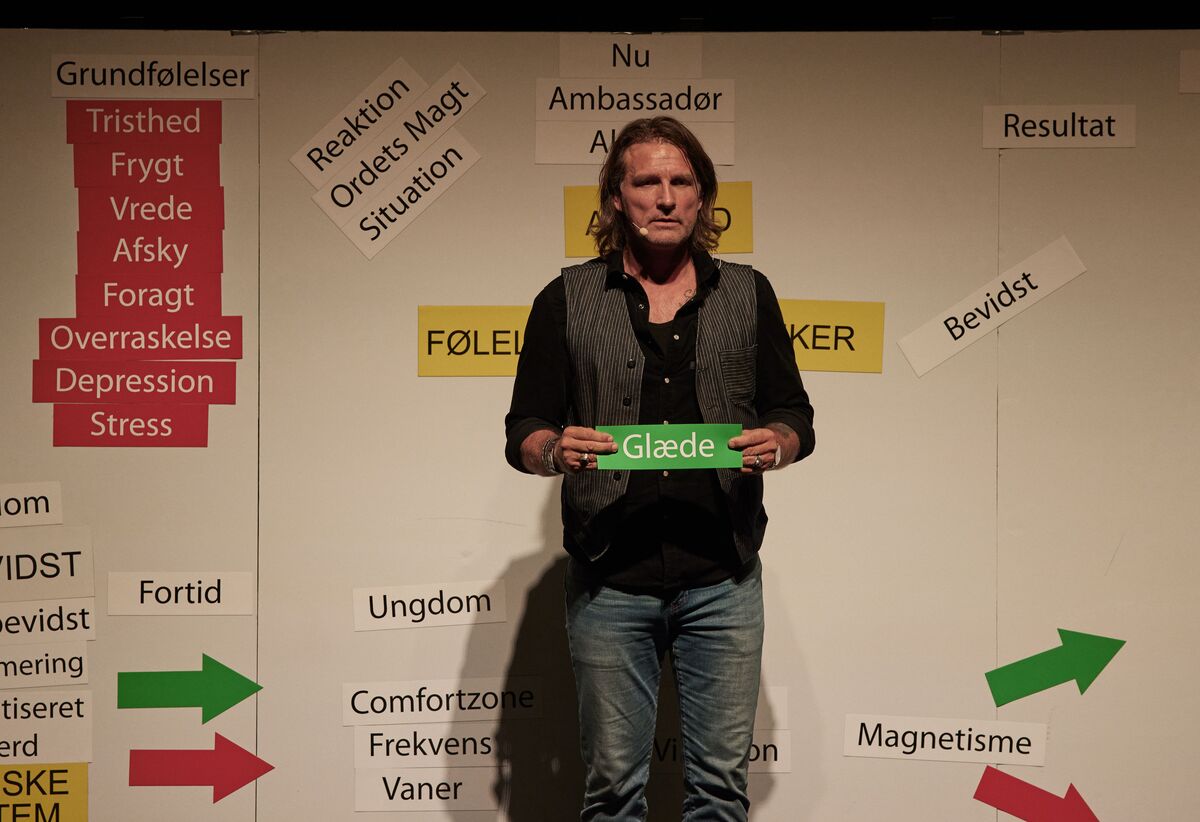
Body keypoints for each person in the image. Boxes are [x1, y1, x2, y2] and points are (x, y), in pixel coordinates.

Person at [504, 116, 815, 821]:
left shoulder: (749, 292)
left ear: (703, 197)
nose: (666, 197)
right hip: (610, 577)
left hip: (723, 576)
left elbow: (794, 413)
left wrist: (778, 442)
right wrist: (554, 450)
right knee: (614, 792)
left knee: (720, 791)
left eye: (682, 182)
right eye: (648, 182)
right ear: (617, 198)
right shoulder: (565, 298)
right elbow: (524, 428)